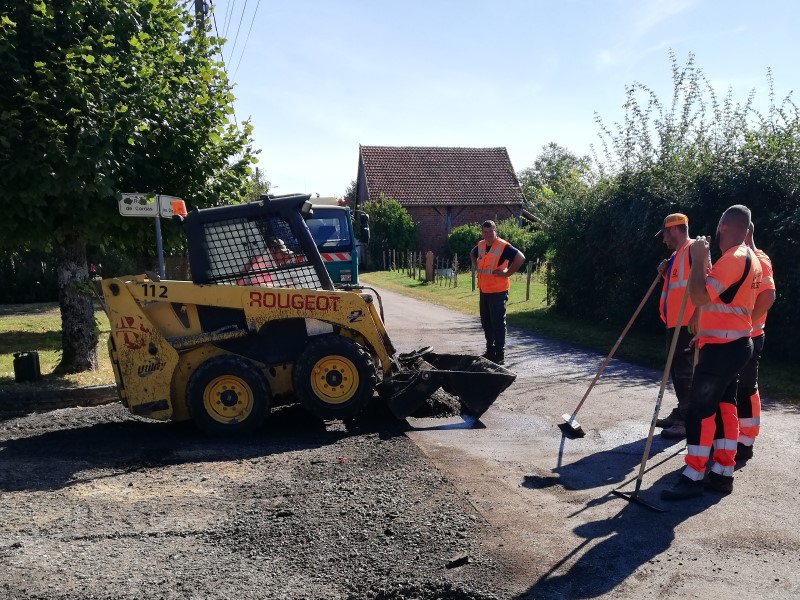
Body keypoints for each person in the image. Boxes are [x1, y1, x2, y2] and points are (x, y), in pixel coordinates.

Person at [661, 205, 762, 501]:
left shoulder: (734, 258)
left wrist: (697, 260)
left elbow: (699, 296)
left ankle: (693, 474)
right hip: (732, 342)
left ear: (726, 226)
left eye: (720, 227)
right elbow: (724, 304)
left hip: (724, 348)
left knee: (700, 410)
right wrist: (704, 333)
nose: (717, 233)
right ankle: (722, 473)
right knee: (725, 407)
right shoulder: (749, 258)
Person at [653, 213, 696, 440]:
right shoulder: (677, 255)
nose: (663, 239)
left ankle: (686, 421)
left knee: (684, 373)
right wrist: (665, 273)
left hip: (688, 324)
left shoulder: (693, 250)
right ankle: (682, 411)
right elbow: (678, 287)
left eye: (664, 234)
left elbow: (701, 284)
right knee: (676, 371)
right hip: (675, 323)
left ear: (675, 229)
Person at [735, 222, 776, 462]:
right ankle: (733, 437)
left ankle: (746, 441)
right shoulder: (741, 259)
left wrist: (746, 323)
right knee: (735, 387)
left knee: (747, 387)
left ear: (746, 232)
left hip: (750, 336)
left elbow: (768, 296)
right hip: (738, 335)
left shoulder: (759, 259)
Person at [470, 220, 525, 364]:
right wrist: (476, 266)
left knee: (498, 323)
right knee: (486, 322)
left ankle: (499, 354)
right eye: (485, 232)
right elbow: (472, 254)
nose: (487, 235)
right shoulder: (481, 245)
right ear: (482, 232)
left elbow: (520, 258)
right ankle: (490, 351)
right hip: (484, 291)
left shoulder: (503, 246)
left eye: (490, 231)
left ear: (495, 231)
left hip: (498, 291)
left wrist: (507, 273)